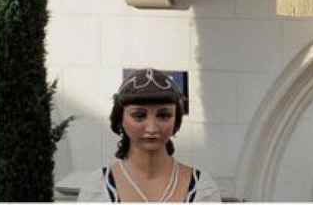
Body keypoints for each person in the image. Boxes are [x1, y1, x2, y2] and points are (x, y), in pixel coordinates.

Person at [77, 68, 221, 201]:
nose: (152, 128)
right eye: (139, 116)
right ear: (120, 119)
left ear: (176, 120)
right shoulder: (97, 188)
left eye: (164, 115)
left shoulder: (202, 188)